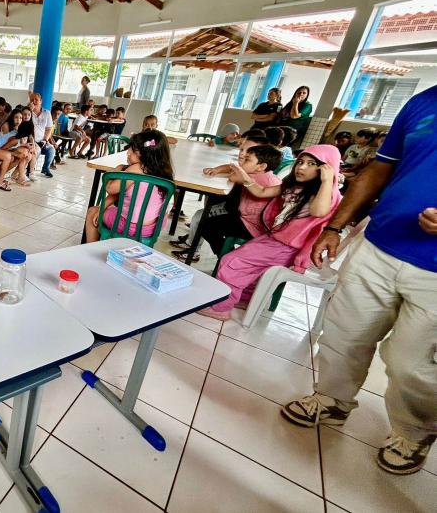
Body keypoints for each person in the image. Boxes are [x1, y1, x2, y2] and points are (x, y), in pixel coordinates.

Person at [280, 87, 437, 475]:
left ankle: (414, 431)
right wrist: (335, 226)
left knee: (409, 361)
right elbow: (380, 170)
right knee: (344, 332)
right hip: (380, 244)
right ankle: (332, 400)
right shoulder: (423, 102)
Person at [198, 144, 342, 320]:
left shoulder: (325, 194)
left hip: (287, 247)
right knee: (245, 263)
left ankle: (221, 308)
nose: (302, 167)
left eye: (311, 164)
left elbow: (318, 211)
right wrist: (244, 176)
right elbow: (262, 191)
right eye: (300, 162)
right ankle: (245, 298)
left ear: (326, 169)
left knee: (232, 261)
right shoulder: (293, 186)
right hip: (274, 240)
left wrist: (328, 181)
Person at [171, 140, 282, 262]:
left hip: (251, 226)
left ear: (261, 167)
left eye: (247, 159)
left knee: (206, 224)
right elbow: (233, 168)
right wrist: (222, 169)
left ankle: (225, 256)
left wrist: (233, 168)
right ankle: (221, 253)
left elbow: (233, 175)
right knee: (205, 218)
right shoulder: (269, 176)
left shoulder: (254, 178)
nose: (242, 160)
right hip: (255, 222)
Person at [83, 130, 175, 243]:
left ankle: (90, 248)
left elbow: (110, 188)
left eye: (133, 150)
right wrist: (102, 208)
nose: (128, 152)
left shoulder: (136, 169)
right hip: (153, 228)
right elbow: (119, 192)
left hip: (130, 227)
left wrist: (117, 169)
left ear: (143, 154)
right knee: (119, 203)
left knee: (92, 211)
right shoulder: (165, 171)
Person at [27, 93, 55, 178]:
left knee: (51, 150)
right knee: (36, 150)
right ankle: (29, 170)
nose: (34, 101)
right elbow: (25, 125)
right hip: (30, 140)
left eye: (36, 99)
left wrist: (45, 139)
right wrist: (30, 111)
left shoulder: (47, 113)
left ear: (41, 101)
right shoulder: (27, 112)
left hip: (42, 140)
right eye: (32, 99)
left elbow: (48, 128)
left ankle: (45, 168)